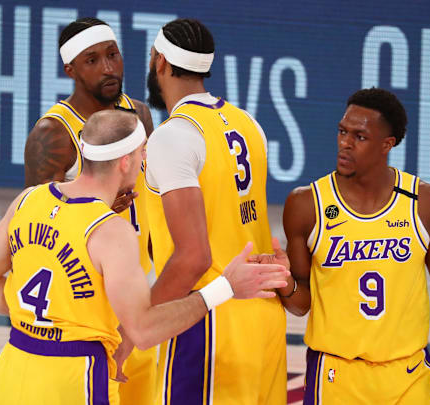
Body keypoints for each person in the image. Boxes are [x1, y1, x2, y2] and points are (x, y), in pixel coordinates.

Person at [0, 110, 289, 405]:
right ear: (125, 162)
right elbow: (144, 331)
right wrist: (225, 287)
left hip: (12, 366)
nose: (145, 158)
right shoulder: (110, 232)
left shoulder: (28, 200)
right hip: (74, 379)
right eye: (142, 152)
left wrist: (44, 316)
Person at [254, 88, 430, 404]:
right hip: (337, 375)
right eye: (342, 132)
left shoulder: (426, 203)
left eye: (359, 137)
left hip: (408, 374)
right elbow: (301, 304)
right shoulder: (306, 205)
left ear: (386, 145)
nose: (345, 143)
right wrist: (284, 282)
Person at [143, 18, 287, 404]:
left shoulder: (173, 137)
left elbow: (193, 256)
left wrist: (140, 321)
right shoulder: (249, 125)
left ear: (160, 62)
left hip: (210, 320)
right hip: (265, 318)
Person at [22, 17, 156, 403]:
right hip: (86, 296)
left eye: (112, 55)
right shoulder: (54, 133)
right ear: (71, 70)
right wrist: (95, 208)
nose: (109, 68)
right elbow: (36, 218)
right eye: (92, 60)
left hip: (138, 284)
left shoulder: (139, 114)